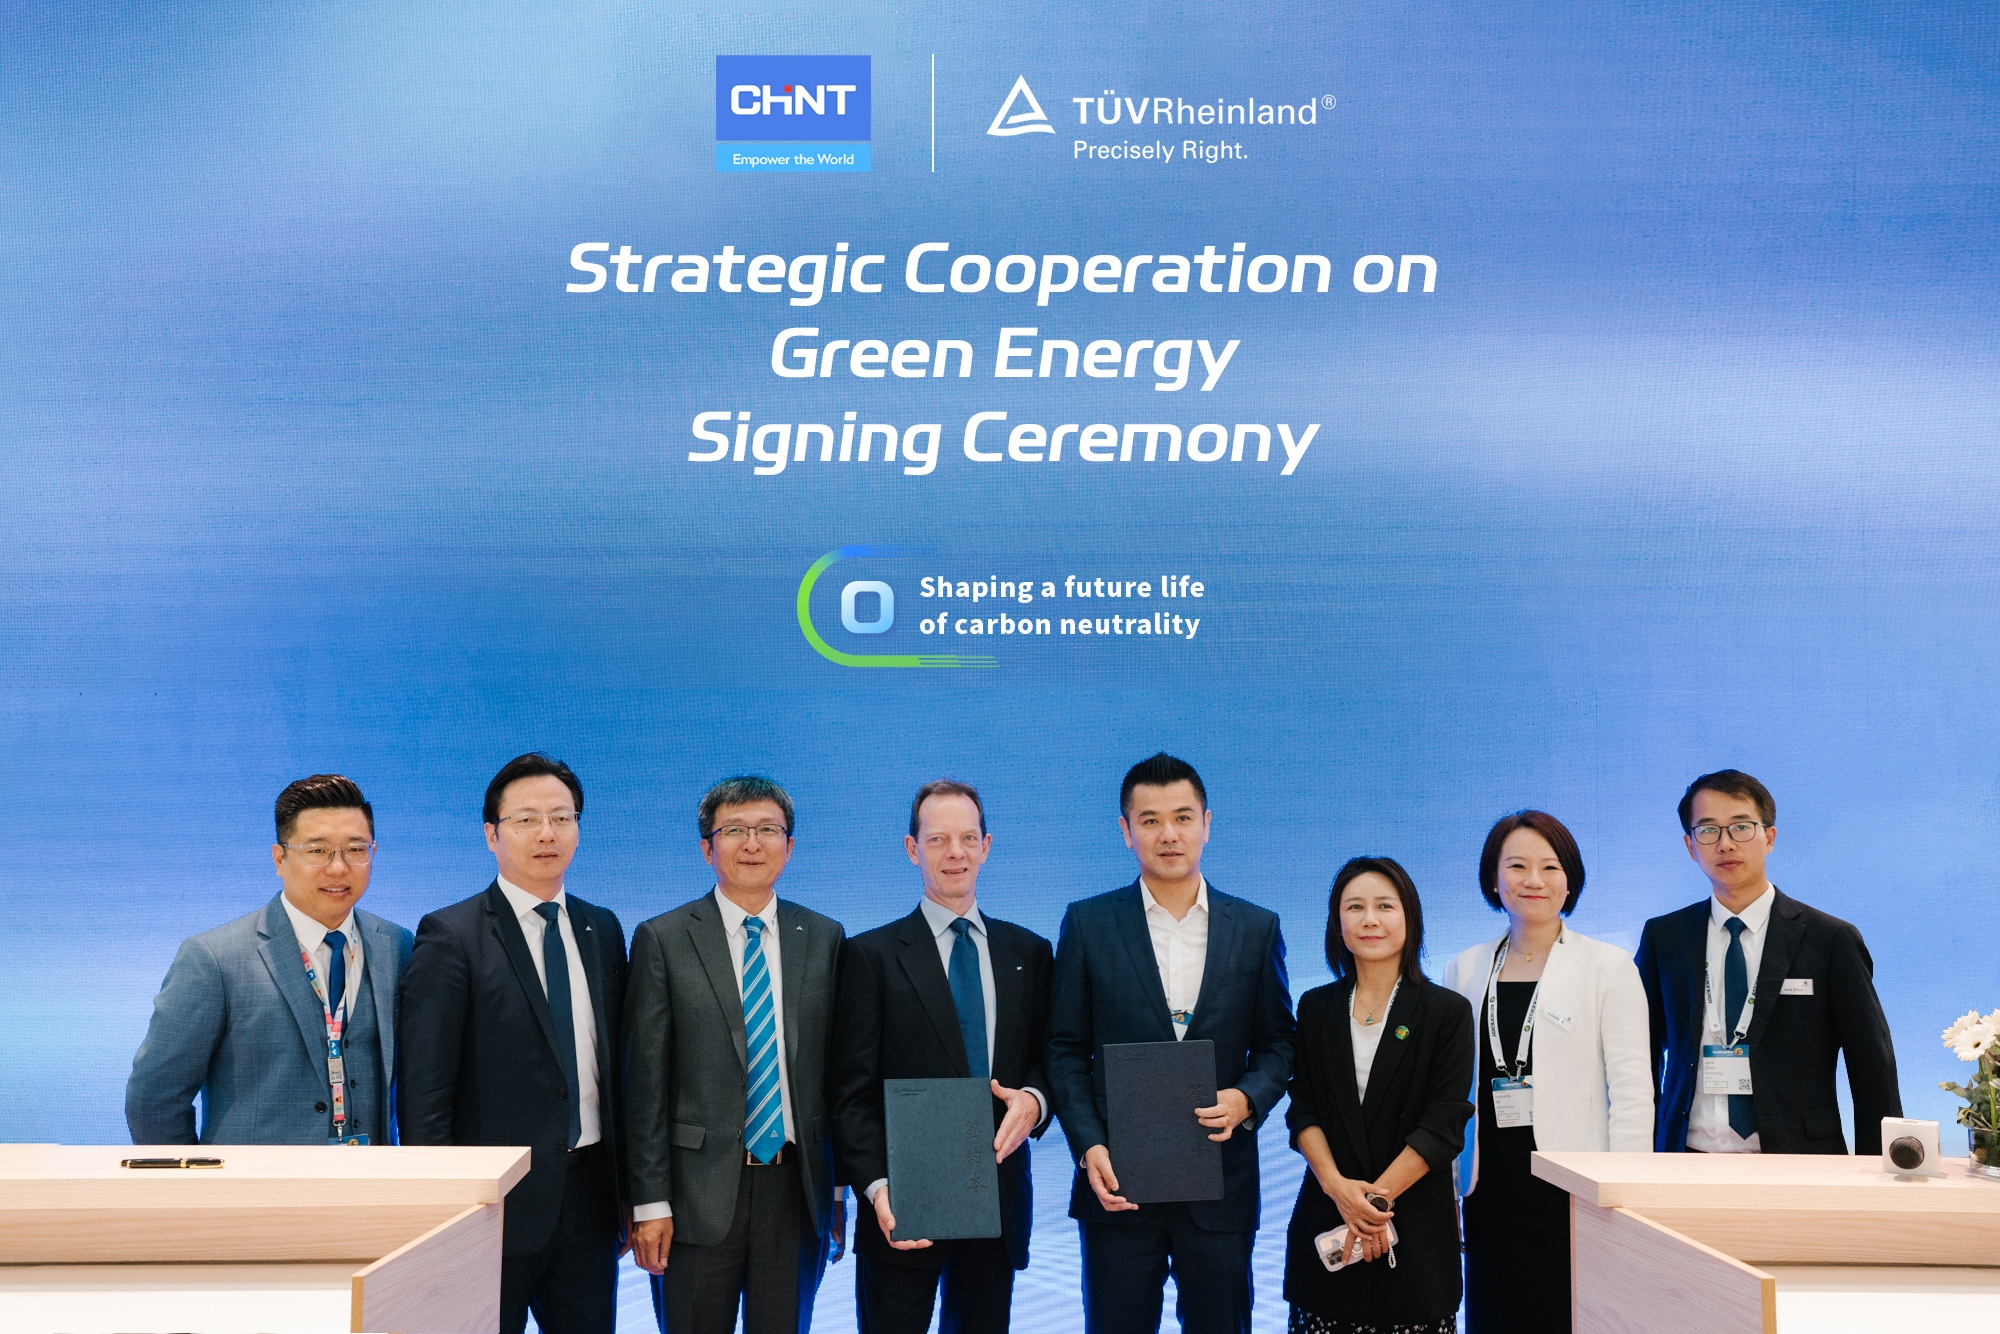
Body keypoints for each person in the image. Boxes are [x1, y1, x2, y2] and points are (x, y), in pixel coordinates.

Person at [1045, 753, 1295, 1334]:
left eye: (1182, 817)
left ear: (1206, 824)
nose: (1168, 834)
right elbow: (1063, 1049)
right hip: (1118, 1184)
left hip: (1220, 1184)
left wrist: (1247, 1098)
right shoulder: (1088, 923)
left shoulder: (1255, 928)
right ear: (1125, 831)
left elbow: (1280, 1042)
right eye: (1150, 820)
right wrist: (1088, 1145)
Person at [398, 754, 628, 1334]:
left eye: (561, 818)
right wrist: (444, 1210)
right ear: (491, 834)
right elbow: (424, 1095)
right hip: (491, 1208)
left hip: (590, 1203)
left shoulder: (602, 929)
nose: (547, 833)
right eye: (526, 820)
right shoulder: (451, 935)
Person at [830, 779, 1056, 1334]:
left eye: (968, 838)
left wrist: (1035, 1100)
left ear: (986, 846)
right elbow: (849, 1094)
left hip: (995, 1200)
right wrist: (877, 1188)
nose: (955, 852)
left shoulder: (1028, 952)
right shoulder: (870, 956)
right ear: (913, 849)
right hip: (903, 1205)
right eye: (937, 839)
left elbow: (1051, 1058)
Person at [624, 776, 846, 1334]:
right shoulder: (664, 938)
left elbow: (838, 1077)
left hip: (795, 1194)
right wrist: (649, 1204)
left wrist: (839, 1188)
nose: (752, 843)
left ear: (789, 847)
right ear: (707, 848)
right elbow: (644, 1087)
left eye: (768, 829)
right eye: (734, 830)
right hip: (693, 1197)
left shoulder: (825, 938)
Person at [1441, 811, 1652, 1334]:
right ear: (1494, 878)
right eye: (1517, 866)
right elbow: (1451, 1089)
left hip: (1574, 1190)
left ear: (1569, 880)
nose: (1533, 880)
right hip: (1489, 1187)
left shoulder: (1607, 966)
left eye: (1550, 867)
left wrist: (1624, 1193)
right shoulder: (1464, 968)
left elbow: (1632, 1091)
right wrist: (1448, 1186)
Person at [127, 774, 411, 1145]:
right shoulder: (215, 958)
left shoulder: (396, 945)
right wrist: (198, 1178)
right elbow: (153, 1099)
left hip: (371, 1178)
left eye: (355, 850)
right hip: (254, 1182)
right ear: (279, 858)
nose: (338, 868)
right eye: (317, 851)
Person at [1635, 769, 1901, 1154]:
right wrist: (1637, 1154)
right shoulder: (1665, 938)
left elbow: (1872, 1068)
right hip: (1685, 1157)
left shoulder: (1830, 939)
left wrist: (1879, 1170)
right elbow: (1638, 1054)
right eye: (1708, 830)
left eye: (1741, 827)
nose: (1725, 844)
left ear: (1770, 838)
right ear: (1690, 846)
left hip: (1799, 1161)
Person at [1283, 857, 1474, 1334]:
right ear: (1338, 924)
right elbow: (1303, 1109)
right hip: (1328, 1219)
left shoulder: (1446, 1011)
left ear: (1410, 918)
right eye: (1355, 907)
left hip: (1414, 1236)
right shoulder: (1315, 1007)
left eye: (1385, 906)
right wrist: (1338, 1189)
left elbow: (1443, 1125)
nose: (1370, 919)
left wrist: (1370, 1206)